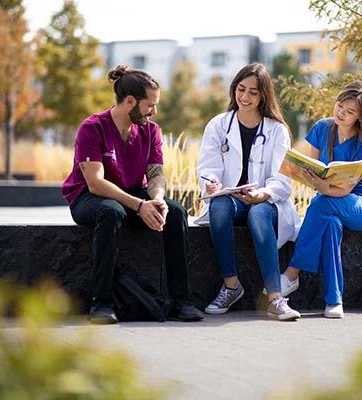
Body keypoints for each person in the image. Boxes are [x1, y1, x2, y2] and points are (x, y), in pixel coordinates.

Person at [61, 65, 204, 324]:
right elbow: (95, 183)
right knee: (111, 211)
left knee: (175, 213)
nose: (154, 111)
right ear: (130, 102)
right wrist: (139, 205)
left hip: (132, 196)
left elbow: (156, 174)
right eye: (150, 105)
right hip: (88, 198)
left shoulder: (151, 130)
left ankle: (182, 301)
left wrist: (157, 199)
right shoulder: (92, 127)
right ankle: (102, 302)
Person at [196, 63, 301, 321]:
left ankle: (276, 298)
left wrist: (262, 194)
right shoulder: (218, 125)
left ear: (264, 95)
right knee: (218, 208)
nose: (244, 97)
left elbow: (282, 181)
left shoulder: (277, 130)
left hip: (266, 201)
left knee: (258, 215)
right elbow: (208, 168)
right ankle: (232, 286)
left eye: (253, 92)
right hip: (231, 200)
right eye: (240, 89)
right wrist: (211, 183)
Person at [279, 81, 362, 319]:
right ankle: (334, 301)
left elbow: (343, 191)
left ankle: (292, 273)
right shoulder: (323, 128)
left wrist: (321, 186)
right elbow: (314, 168)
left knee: (322, 203)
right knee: (331, 225)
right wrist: (309, 176)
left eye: (350, 111)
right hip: (327, 203)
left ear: (361, 116)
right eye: (340, 105)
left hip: (360, 206)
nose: (341, 113)